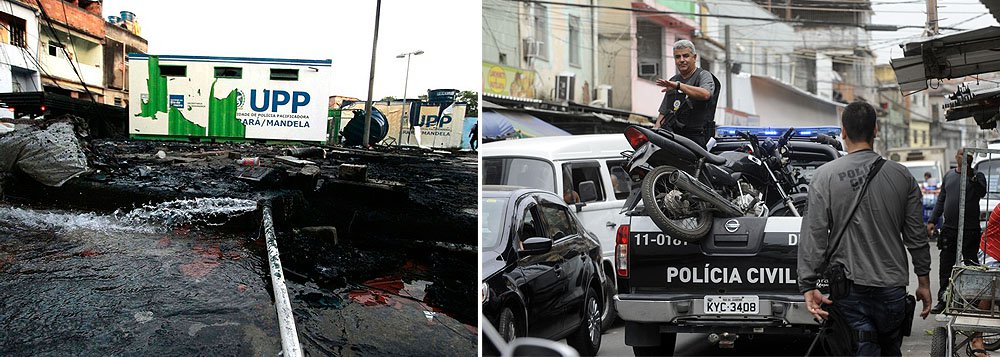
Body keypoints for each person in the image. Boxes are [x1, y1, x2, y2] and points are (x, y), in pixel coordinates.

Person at [798, 102, 932, 356]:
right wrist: (923, 282)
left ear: (843, 133)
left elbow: (814, 235)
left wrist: (808, 285)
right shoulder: (902, 176)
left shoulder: (824, 176)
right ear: (876, 130)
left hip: (849, 289)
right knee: (889, 347)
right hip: (892, 287)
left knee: (860, 346)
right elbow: (916, 236)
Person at [927, 148, 987, 314]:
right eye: (962, 154)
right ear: (956, 157)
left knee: (971, 265)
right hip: (950, 230)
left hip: (970, 230)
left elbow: (982, 192)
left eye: (969, 155)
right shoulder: (949, 176)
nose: (965, 157)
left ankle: (972, 300)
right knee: (946, 266)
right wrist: (932, 220)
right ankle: (943, 300)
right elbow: (941, 200)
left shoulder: (977, 176)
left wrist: (971, 176)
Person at [653, 40, 720, 148]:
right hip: (675, 136)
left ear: (694, 57)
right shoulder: (673, 80)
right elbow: (664, 111)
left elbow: (705, 94)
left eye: (686, 56)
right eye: (678, 57)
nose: (682, 60)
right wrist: (655, 133)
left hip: (698, 137)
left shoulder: (703, 75)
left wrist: (679, 86)